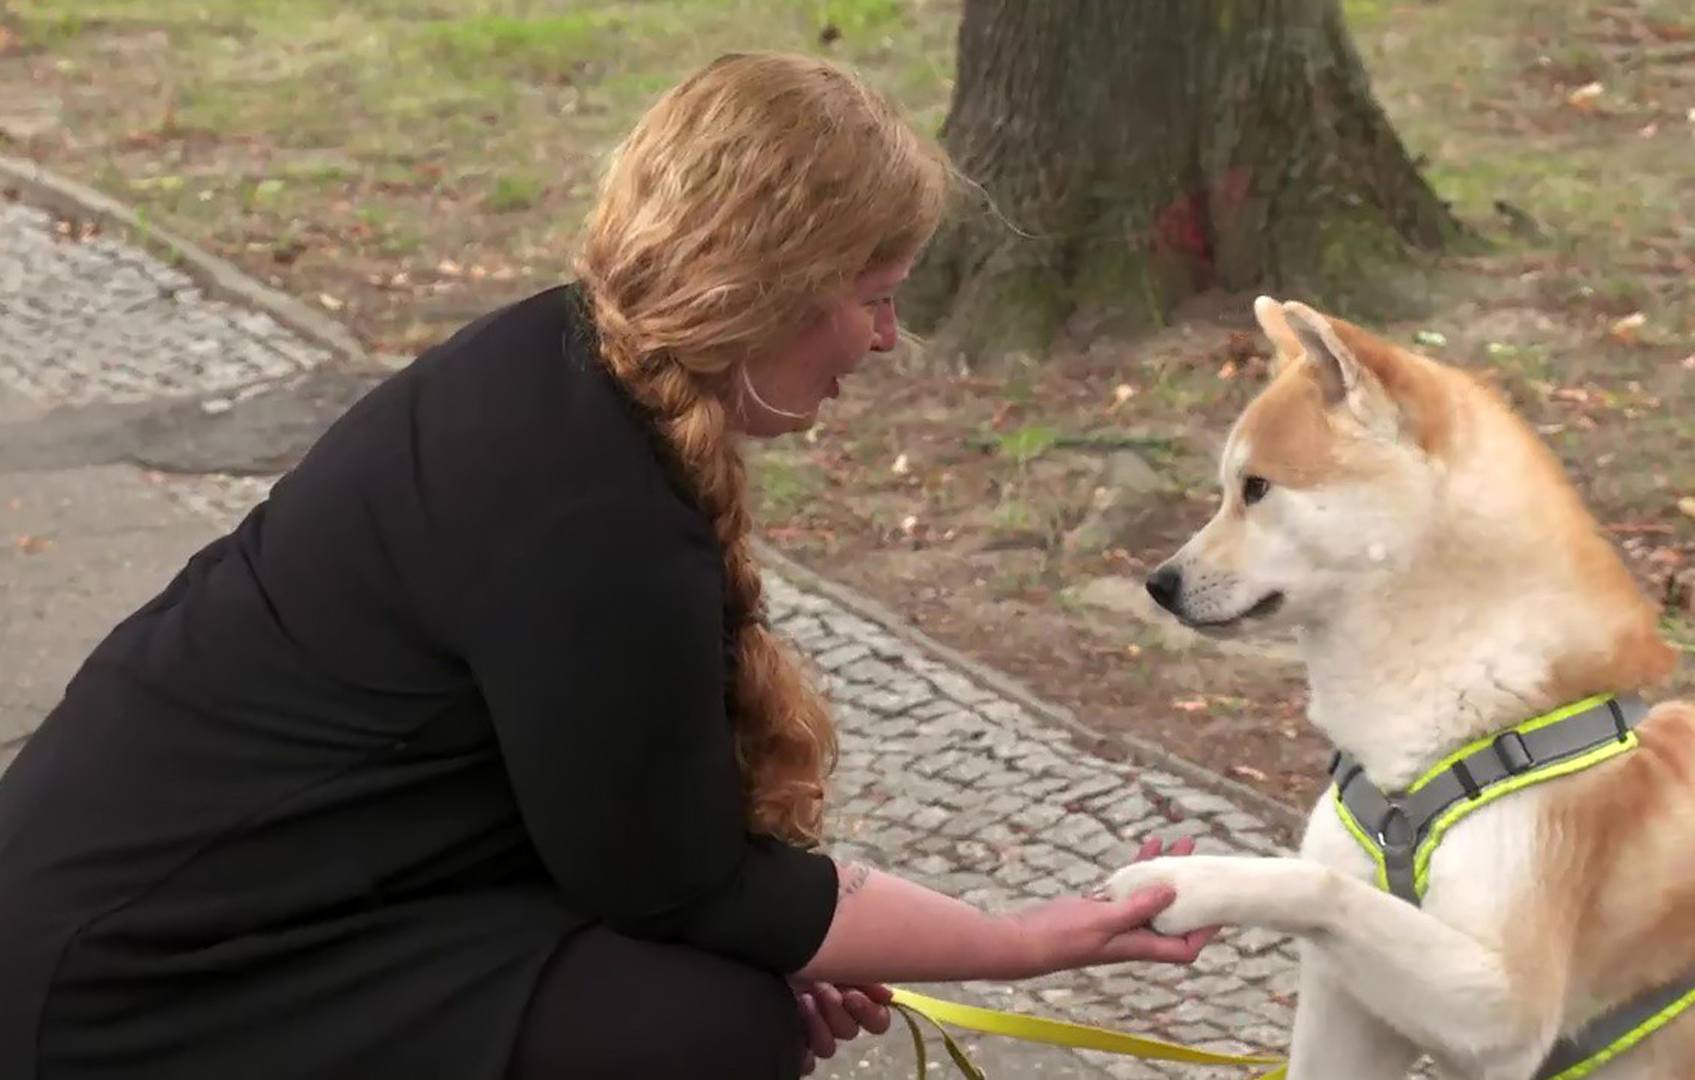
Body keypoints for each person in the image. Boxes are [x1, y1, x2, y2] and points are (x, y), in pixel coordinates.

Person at [0, 51, 1213, 1080]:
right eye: (874, 298)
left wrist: (794, 933)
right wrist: (1025, 938)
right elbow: (680, 888)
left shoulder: (561, 366)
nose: (890, 340)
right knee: (703, 1030)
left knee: (702, 989)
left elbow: (622, 830)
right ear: (772, 286)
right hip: (135, 979)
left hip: (197, 896)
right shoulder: (587, 503)